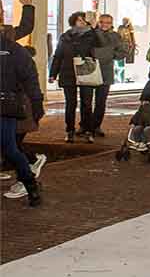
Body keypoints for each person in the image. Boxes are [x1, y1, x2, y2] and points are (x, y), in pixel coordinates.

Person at [0, 25, 45, 206]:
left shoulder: (13, 50)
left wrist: (36, 103)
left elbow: (30, 78)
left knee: (10, 148)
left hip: (5, 105)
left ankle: (30, 184)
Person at [49, 11, 100, 143]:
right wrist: (53, 73)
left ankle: (88, 130)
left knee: (87, 103)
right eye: (79, 20)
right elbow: (58, 55)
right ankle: (69, 130)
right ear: (73, 22)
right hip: (67, 72)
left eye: (84, 20)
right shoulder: (65, 37)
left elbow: (99, 44)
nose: (82, 23)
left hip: (86, 70)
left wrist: (94, 28)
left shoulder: (91, 35)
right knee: (70, 103)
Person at [92, 14, 126, 137]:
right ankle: (85, 126)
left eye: (107, 22)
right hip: (90, 70)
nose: (104, 25)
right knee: (86, 101)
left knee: (101, 102)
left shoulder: (115, 36)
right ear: (98, 22)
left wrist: (110, 54)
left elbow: (122, 52)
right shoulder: (91, 34)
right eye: (102, 22)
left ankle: (96, 126)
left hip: (106, 72)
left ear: (111, 24)